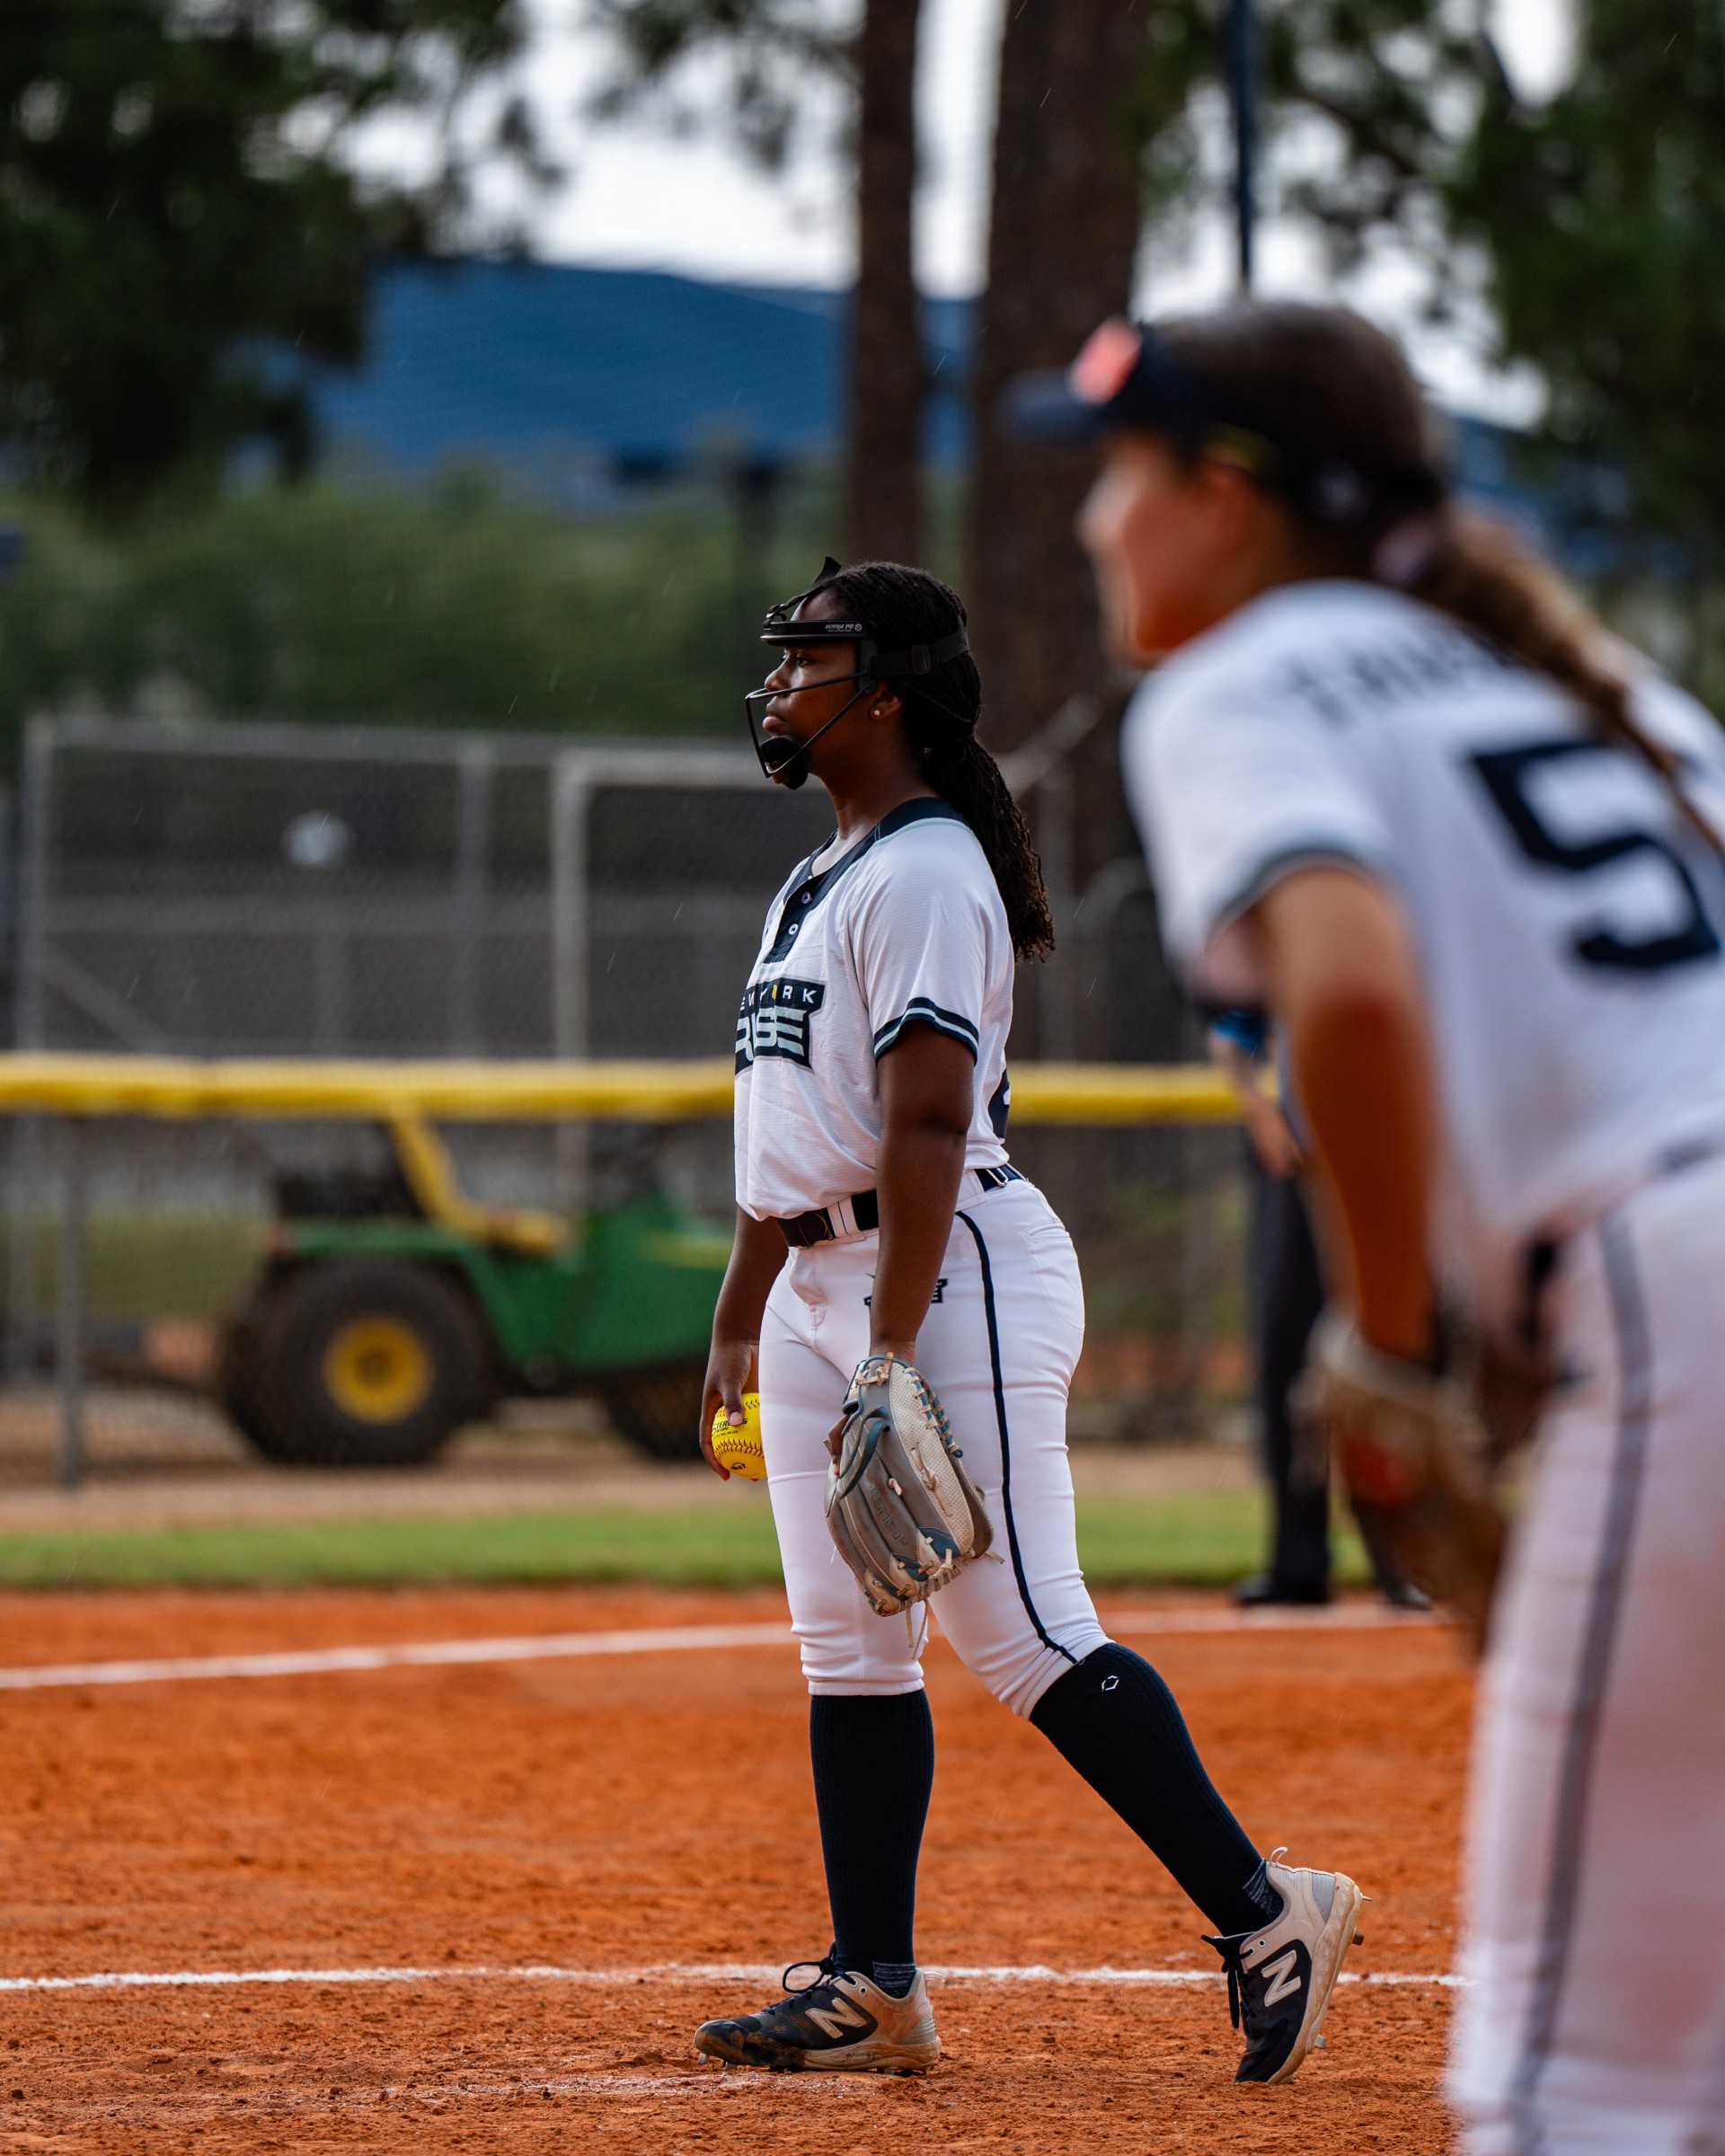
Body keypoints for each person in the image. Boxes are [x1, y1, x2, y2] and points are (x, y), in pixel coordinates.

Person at [1027, 299, 1725, 2154]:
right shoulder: (1603, 687)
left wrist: (1392, 1344)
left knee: (1576, 2085)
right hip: (1669, 1262)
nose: (1097, 521)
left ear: (1231, 496)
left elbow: (1347, 994)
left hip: (1683, 1293)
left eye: (1124, 469)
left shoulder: (1240, 685)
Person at [694, 556, 1363, 2084]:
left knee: (1023, 1631)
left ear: (893, 691)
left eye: (815, 659)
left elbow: (925, 1129)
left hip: (942, 1273)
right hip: (820, 1280)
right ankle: (875, 1984)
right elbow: (788, 1120)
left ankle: (1273, 1915)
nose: (784, 684)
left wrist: (887, 1347)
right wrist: (747, 1313)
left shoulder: (928, 870)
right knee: (849, 1650)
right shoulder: (826, 869)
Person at [1209, 1006, 1429, 1609]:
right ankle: (1297, 1562)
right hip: (1305, 1165)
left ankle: (1404, 1560)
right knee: (1288, 1357)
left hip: (1393, 1159)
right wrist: (1257, 1106)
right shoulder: (1296, 939)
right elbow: (1230, 1030)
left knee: (1392, 1354)